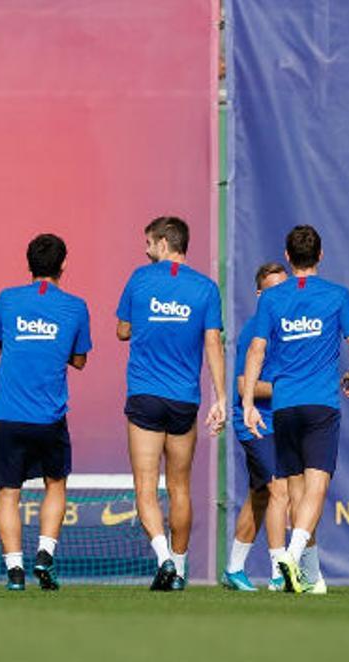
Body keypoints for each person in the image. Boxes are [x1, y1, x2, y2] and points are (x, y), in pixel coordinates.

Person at [242, 225, 349, 594]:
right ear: (321, 256)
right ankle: (291, 558)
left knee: (295, 491)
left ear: (288, 255)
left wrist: (248, 402)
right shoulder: (337, 295)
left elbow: (255, 351)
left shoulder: (271, 299)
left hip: (284, 405)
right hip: (320, 404)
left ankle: (313, 579)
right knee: (316, 488)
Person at [116, 216, 226, 591]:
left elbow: (121, 330)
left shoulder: (140, 279)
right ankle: (177, 569)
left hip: (146, 395)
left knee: (146, 487)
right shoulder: (206, 288)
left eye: (149, 243)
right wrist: (222, 397)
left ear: (164, 243)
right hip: (184, 400)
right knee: (180, 487)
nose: (145, 251)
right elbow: (213, 344)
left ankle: (163, 559)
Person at [0, 234, 91, 591]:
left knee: (8, 493)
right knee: (56, 485)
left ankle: (15, 572)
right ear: (63, 265)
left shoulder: (7, 299)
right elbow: (79, 360)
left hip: (7, 414)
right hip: (49, 416)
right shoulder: (76, 307)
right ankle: (44, 555)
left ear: (28, 264)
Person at [222, 262, 290, 592]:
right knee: (278, 490)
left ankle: (234, 568)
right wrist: (292, 390)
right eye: (275, 289)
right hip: (254, 421)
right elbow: (240, 383)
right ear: (260, 295)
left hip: (284, 423)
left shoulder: (292, 330)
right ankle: (281, 573)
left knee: (260, 495)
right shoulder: (253, 330)